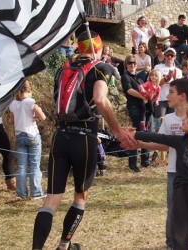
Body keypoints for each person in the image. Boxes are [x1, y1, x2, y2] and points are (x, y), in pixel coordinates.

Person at [32, 31, 136, 250]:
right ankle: (63, 246)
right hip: (85, 138)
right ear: (98, 49)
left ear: (79, 48)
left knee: (51, 200)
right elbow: (100, 98)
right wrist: (116, 129)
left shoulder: (63, 69)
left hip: (61, 136)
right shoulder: (101, 67)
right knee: (80, 196)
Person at [133, 104, 188, 250]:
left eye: (187, 117)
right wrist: (135, 134)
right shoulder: (180, 141)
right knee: (180, 230)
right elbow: (158, 137)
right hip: (180, 189)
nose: (183, 119)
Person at [135, 79, 188, 249]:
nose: (167, 96)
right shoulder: (168, 119)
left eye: (171, 92)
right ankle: (171, 245)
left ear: (182, 96)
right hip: (174, 172)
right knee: (173, 211)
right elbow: (164, 144)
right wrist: (141, 144)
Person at [9, 80, 46, 199]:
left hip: (19, 136)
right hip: (32, 135)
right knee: (34, 165)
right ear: (29, 90)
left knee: (22, 166)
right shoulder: (31, 102)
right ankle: (36, 192)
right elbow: (43, 117)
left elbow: (12, 121)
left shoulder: (13, 104)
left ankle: (21, 194)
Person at [121, 54, 150, 172]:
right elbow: (128, 90)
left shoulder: (140, 79)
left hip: (143, 109)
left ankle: (145, 160)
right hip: (134, 108)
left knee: (145, 133)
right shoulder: (125, 76)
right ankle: (133, 163)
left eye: (134, 63)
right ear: (126, 65)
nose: (132, 65)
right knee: (136, 134)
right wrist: (142, 95)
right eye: (130, 63)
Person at [153, 48, 182, 124]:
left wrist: (175, 79)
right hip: (161, 99)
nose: (169, 57)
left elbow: (180, 88)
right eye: (168, 55)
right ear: (164, 56)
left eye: (172, 55)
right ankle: (157, 135)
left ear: (175, 57)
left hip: (173, 100)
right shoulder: (158, 67)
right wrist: (167, 78)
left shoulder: (178, 71)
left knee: (171, 123)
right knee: (158, 123)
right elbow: (155, 83)